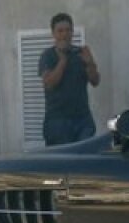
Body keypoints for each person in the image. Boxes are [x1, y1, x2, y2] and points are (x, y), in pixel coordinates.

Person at [38, 12, 100, 146]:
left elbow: (95, 81)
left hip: (83, 119)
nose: (64, 35)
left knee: (85, 160)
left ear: (72, 32)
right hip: (57, 122)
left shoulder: (81, 53)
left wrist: (90, 63)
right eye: (60, 31)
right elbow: (49, 84)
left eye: (68, 30)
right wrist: (63, 60)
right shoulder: (47, 56)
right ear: (53, 34)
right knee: (63, 162)